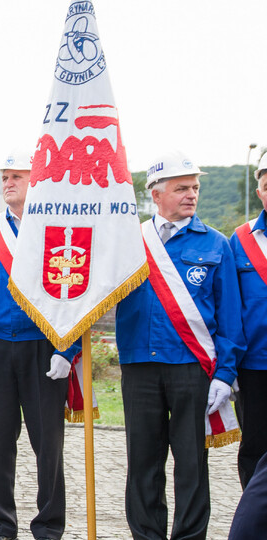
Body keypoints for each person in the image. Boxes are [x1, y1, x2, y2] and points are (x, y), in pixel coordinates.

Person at [116, 151, 244, 540]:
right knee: (143, 463)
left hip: (191, 367)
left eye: (195, 188)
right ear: (155, 194)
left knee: (192, 463)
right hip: (140, 365)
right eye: (181, 188)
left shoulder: (216, 244)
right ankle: (147, 535)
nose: (191, 195)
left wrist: (224, 374)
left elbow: (231, 316)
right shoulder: (128, 241)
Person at [0, 152, 79, 540]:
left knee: (48, 444)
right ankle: (1, 525)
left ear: (37, 180)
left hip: (43, 346)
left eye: (17, 177)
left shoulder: (60, 231)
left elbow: (76, 296)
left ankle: (49, 527)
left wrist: (67, 350)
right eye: (5, 178)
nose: (8, 183)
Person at [230, 152, 267, 489]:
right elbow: (228, 306)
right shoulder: (240, 240)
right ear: (259, 193)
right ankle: (254, 514)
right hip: (254, 365)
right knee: (254, 447)